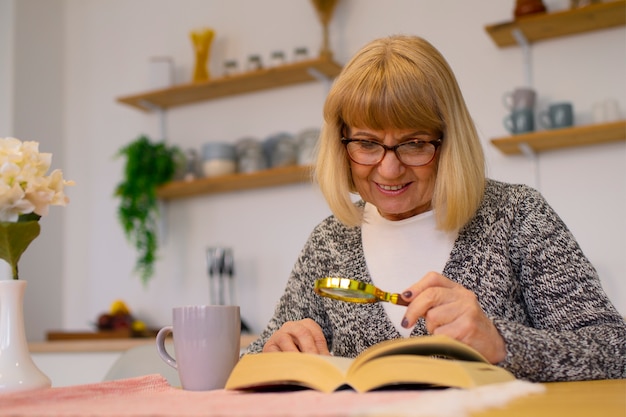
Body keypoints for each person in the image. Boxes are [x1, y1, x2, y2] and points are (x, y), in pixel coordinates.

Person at [244, 35, 626, 382]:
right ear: (340, 143)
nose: (389, 169)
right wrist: (274, 353)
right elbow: (255, 357)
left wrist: (502, 343)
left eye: (414, 144)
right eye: (366, 143)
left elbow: (615, 350)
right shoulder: (330, 241)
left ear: (450, 140)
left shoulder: (516, 215)